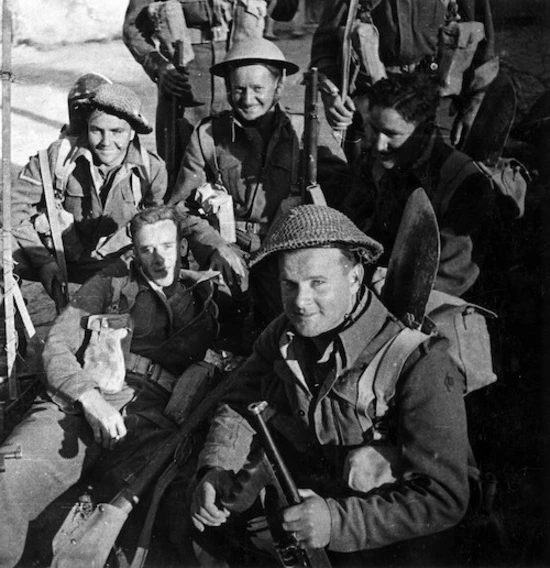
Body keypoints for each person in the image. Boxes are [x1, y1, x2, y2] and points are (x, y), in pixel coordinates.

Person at [0, 206, 224, 567]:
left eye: (167, 246)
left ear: (182, 246)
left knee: (161, 505)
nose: (158, 258)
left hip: (151, 419)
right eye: (146, 249)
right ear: (134, 252)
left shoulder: (205, 293)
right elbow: (56, 344)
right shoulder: (110, 283)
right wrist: (89, 398)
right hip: (76, 405)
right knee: (8, 476)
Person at [190, 204, 471, 565]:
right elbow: (239, 400)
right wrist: (216, 466)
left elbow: (444, 497)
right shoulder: (283, 333)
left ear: (354, 278)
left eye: (317, 283)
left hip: (384, 536)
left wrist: (335, 522)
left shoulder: (418, 362)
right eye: (289, 285)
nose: (301, 302)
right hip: (308, 505)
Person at [0, 83, 167, 366]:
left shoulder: (151, 170)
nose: (105, 142)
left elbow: (158, 230)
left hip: (112, 264)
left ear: (133, 132)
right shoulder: (58, 156)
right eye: (97, 130)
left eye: (117, 132)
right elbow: (8, 207)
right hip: (55, 255)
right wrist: (42, 259)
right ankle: (13, 346)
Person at [168, 37, 300, 339]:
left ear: (278, 87)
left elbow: (339, 195)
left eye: (258, 89)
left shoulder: (303, 133)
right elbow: (180, 208)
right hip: (228, 250)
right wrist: (214, 245)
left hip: (287, 249)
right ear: (227, 89)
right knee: (208, 323)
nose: (247, 98)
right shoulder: (209, 136)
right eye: (239, 88)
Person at [338, 71, 497, 300]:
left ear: (424, 132)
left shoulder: (465, 184)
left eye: (392, 134)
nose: (379, 144)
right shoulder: (376, 161)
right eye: (374, 128)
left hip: (434, 303)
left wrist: (399, 283)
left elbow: (454, 278)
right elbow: (352, 220)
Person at [123, 0, 297, 178]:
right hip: (186, 75)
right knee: (181, 166)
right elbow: (133, 29)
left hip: (241, 72)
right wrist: (159, 66)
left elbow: (285, 12)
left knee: (246, 163)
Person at [311, 0, 499, 160]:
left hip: (437, 97)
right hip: (371, 101)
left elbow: (485, 54)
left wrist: (474, 105)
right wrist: (331, 94)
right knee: (368, 186)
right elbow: (325, 47)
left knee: (435, 180)